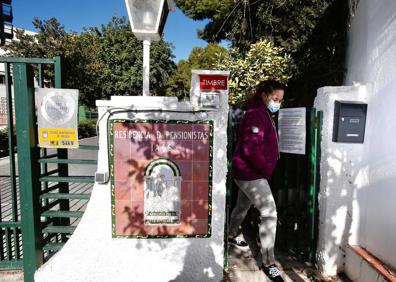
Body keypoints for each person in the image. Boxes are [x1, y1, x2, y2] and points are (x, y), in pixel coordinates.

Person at [228, 80, 285, 282]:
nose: (278, 103)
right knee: (269, 212)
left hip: (248, 171)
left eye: (280, 100)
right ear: (264, 95)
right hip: (250, 172)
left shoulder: (261, 112)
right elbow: (250, 149)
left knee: (243, 205)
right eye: (276, 99)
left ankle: (232, 233)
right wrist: (267, 168)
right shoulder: (255, 114)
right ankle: (268, 262)